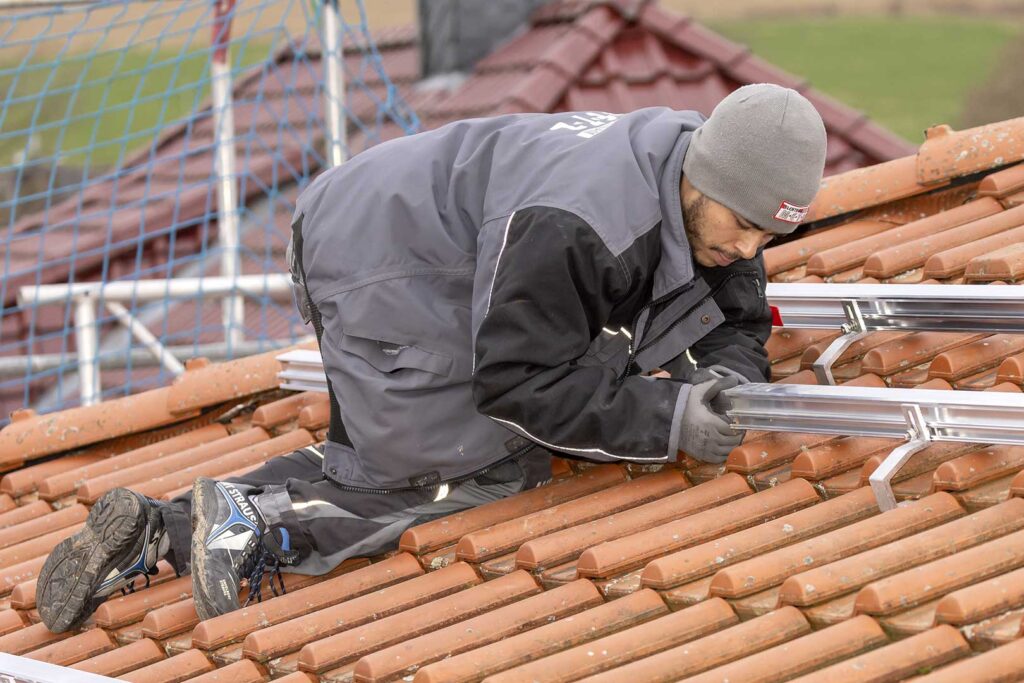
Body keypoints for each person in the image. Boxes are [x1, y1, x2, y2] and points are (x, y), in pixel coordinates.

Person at [37, 83, 827, 632]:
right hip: (387, 264)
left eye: (769, 233)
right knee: (479, 469)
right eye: (743, 224)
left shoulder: (712, 188)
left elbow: (735, 310)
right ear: (702, 177)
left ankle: (162, 529)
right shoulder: (582, 224)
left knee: (377, 466)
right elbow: (520, 385)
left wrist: (730, 376)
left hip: (414, 230)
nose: (748, 247)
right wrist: (669, 417)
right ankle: (254, 532)